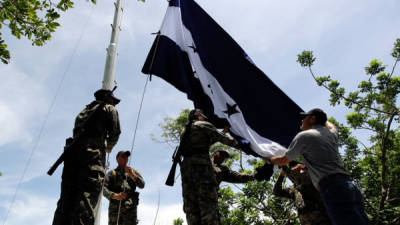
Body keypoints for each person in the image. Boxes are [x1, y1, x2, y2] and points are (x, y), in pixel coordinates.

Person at [268, 108, 369, 225]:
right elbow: (333, 127)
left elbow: (283, 160)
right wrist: (323, 120)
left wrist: (268, 158)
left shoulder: (304, 136)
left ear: (312, 119)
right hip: (349, 186)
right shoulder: (331, 134)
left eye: (304, 117)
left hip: (332, 188)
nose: (301, 121)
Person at [52, 89, 121, 225]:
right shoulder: (109, 108)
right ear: (108, 99)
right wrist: (108, 147)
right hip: (92, 161)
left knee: (65, 203)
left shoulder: (83, 113)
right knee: (85, 203)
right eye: (113, 101)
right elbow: (115, 132)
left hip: (71, 159)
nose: (114, 104)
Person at [180, 109, 241, 225]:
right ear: (198, 116)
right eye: (204, 116)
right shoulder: (203, 125)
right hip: (202, 170)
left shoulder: (184, 131)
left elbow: (202, 143)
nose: (206, 119)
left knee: (192, 208)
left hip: (186, 171)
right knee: (208, 205)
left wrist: (223, 131)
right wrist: (247, 147)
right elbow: (225, 140)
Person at [103, 151, 145, 225]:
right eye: (123, 157)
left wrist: (132, 175)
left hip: (130, 210)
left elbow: (142, 185)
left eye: (126, 157)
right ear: (117, 159)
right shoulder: (112, 173)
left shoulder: (133, 172)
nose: (125, 159)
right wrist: (114, 195)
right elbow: (103, 188)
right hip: (115, 211)